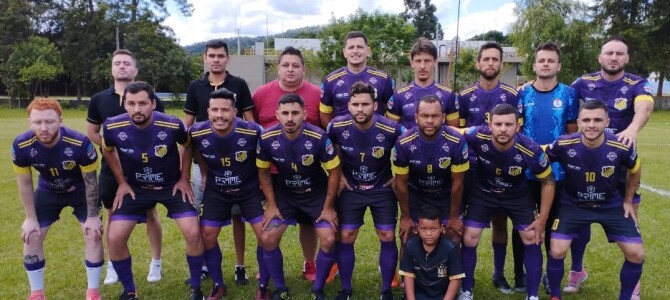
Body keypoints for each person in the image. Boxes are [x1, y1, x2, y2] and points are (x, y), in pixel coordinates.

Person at [567, 36, 653, 297]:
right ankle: (577, 270)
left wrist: (632, 129)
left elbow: (645, 106)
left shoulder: (637, 83)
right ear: (600, 57)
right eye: (609, 53)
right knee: (580, 220)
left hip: (623, 166)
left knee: (629, 219)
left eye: (619, 53)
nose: (613, 57)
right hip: (587, 162)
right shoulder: (584, 82)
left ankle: (633, 283)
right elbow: (560, 93)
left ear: (626, 58)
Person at [102, 81, 205, 300]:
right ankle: (129, 291)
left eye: (142, 103)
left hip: (170, 186)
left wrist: (184, 178)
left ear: (153, 104)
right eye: (131, 103)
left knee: (193, 233)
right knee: (115, 237)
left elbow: (188, 144)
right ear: (124, 104)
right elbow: (107, 149)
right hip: (136, 189)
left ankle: (196, 288)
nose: (137, 109)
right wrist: (122, 181)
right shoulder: (112, 126)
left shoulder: (172, 124)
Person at [544, 100, 644, 300]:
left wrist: (628, 200)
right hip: (573, 205)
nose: (591, 125)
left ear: (607, 121)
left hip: (610, 205)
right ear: (578, 122)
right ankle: (555, 296)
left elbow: (635, 169)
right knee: (556, 251)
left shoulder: (620, 145)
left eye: (597, 120)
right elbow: (540, 153)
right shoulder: (564, 143)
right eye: (586, 120)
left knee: (637, 254)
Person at [458, 104, 555, 300]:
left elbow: (548, 181)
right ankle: (466, 290)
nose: (503, 129)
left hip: (516, 195)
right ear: (489, 125)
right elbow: (452, 131)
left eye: (509, 124)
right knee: (469, 237)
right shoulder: (477, 135)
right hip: (483, 192)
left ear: (518, 126)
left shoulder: (530, 149)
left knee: (532, 237)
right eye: (498, 124)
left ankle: (533, 295)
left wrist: (542, 220)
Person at [86, 49, 164, 285]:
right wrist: (114, 148)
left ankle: (156, 263)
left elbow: (160, 130)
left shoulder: (151, 98)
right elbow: (92, 133)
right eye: (117, 63)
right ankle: (113, 263)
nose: (122, 67)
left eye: (127, 63)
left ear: (135, 70)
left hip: (145, 167)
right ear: (111, 69)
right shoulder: (99, 100)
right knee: (112, 213)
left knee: (151, 212)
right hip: (113, 167)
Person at [14, 98, 104, 300]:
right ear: (30, 122)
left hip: (79, 189)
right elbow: (25, 184)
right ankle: (36, 293)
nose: (43, 128)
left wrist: (92, 217)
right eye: (37, 122)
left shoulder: (79, 142)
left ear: (60, 121)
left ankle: (93, 292)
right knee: (32, 235)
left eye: (49, 121)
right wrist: (30, 218)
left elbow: (91, 182)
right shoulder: (21, 145)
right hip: (48, 190)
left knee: (93, 232)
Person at [183, 38, 256, 285]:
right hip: (203, 162)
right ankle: (204, 265)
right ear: (205, 57)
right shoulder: (195, 86)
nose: (216, 59)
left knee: (238, 216)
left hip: (236, 163)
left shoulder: (239, 84)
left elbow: (250, 121)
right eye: (211, 55)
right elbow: (188, 127)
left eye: (220, 55)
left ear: (228, 58)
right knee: (201, 217)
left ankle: (240, 265)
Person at [256, 94, 341, 300]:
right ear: (277, 114)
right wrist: (271, 204)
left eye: (295, 113)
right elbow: (263, 172)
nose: (290, 118)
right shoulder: (267, 138)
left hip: (316, 195)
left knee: (329, 239)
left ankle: (318, 289)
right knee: (267, 238)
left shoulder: (319, 137)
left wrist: (328, 207)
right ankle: (279, 288)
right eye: (285, 113)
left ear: (304, 114)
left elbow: (335, 171)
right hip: (286, 196)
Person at [457, 41, 525, 293]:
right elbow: (459, 133)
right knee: (466, 226)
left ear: (501, 64)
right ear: (478, 63)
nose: (490, 63)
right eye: (485, 59)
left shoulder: (512, 95)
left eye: (495, 59)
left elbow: (520, 131)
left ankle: (499, 274)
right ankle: (466, 280)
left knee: (499, 222)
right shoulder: (463, 96)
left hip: (503, 170)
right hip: (472, 170)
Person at [327, 81, 405, 299]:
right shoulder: (336, 126)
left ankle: (386, 289)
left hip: (382, 188)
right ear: (348, 106)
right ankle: (346, 289)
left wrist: (398, 176)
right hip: (351, 189)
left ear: (375, 105)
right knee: (347, 235)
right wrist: (339, 175)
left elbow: (411, 145)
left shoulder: (391, 128)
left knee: (387, 235)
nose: (360, 109)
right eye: (355, 104)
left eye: (365, 104)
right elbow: (325, 151)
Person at [188, 87, 267, 299]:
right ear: (208, 111)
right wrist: (204, 172)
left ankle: (265, 285)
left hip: (249, 190)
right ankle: (218, 284)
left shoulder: (253, 130)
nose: (219, 115)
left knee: (266, 236)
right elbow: (192, 151)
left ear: (235, 112)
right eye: (215, 110)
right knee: (207, 236)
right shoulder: (196, 131)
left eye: (225, 110)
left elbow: (267, 157)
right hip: (217, 191)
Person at [252, 46, 321, 283]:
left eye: (295, 65)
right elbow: (252, 129)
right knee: (268, 220)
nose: (290, 69)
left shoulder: (317, 94)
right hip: (270, 173)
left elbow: (325, 130)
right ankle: (266, 266)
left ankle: (309, 262)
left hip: (306, 170)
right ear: (277, 68)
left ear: (303, 69)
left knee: (307, 222)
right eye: (285, 65)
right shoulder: (261, 94)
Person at [518, 42, 579, 293]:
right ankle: (522, 274)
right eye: (541, 60)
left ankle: (549, 275)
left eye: (550, 60)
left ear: (558, 65)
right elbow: (516, 128)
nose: (545, 64)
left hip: (556, 173)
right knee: (522, 226)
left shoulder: (568, 94)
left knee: (553, 226)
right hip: (525, 172)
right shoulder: (522, 94)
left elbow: (572, 132)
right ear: (534, 65)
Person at [392, 95, 469, 244]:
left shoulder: (457, 141)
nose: (429, 120)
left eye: (435, 116)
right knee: (408, 237)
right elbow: (400, 184)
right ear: (416, 117)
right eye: (424, 116)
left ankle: (450, 268)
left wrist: (453, 217)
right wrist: (406, 217)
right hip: (417, 194)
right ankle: (408, 268)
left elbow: (458, 183)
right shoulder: (403, 143)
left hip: (445, 194)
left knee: (453, 237)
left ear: (443, 117)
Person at [319, 31, 394, 128]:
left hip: (376, 140)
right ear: (344, 52)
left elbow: (392, 114)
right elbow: (325, 114)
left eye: (360, 47)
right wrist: (336, 137)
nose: (355, 51)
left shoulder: (384, 79)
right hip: (342, 141)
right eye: (351, 47)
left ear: (368, 51)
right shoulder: (330, 81)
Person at [387, 38, 459, 129]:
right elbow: (391, 132)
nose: (422, 66)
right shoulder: (398, 96)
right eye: (418, 61)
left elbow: (454, 133)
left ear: (435, 62)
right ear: (412, 63)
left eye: (427, 61)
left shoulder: (449, 95)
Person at [399, 205, 464, 300]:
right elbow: (408, 277)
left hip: (442, 296)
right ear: (417, 228)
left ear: (442, 228)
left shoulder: (450, 248)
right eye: (424, 229)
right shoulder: (410, 246)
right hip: (418, 296)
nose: (428, 233)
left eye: (433, 229)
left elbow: (455, 279)